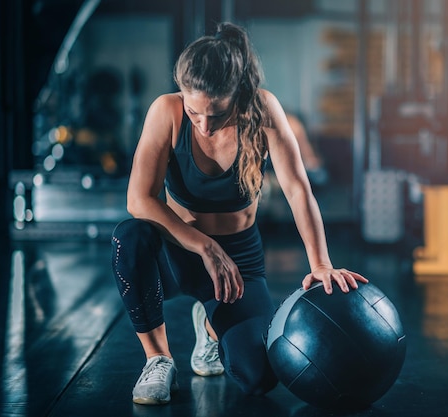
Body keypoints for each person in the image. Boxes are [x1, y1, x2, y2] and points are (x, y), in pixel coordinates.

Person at [110, 22, 368, 405]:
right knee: (129, 237)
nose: (204, 124)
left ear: (236, 94)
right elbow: (139, 199)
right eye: (195, 112)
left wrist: (322, 263)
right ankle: (158, 359)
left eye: (216, 114)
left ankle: (211, 330)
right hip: (178, 253)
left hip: (238, 259)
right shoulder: (166, 111)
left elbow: (298, 189)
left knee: (258, 377)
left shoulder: (263, 111)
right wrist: (204, 247)